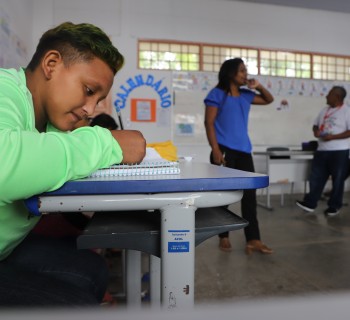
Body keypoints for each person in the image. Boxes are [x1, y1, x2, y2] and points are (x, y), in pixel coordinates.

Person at [0, 22, 146, 307]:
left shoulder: (50, 122)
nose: (91, 110)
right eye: (89, 90)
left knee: (93, 271)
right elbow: (4, 165)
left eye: (99, 100)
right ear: (51, 64)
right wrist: (108, 143)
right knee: (75, 305)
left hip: (7, 249)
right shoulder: (4, 90)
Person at [204, 58, 274, 254]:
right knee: (224, 196)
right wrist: (216, 150)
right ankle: (223, 235)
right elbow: (209, 123)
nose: (245, 74)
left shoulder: (246, 95)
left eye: (246, 71)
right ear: (230, 73)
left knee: (249, 196)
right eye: (242, 71)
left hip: (244, 151)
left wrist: (258, 85)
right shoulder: (216, 94)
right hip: (224, 149)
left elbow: (269, 100)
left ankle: (253, 239)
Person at [296, 86, 350, 217]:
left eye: (329, 94)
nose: (326, 96)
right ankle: (310, 203)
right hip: (322, 150)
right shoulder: (324, 110)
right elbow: (315, 124)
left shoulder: (347, 111)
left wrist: (332, 137)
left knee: (338, 180)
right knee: (316, 178)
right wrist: (316, 131)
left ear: (337, 97)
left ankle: (334, 206)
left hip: (339, 151)